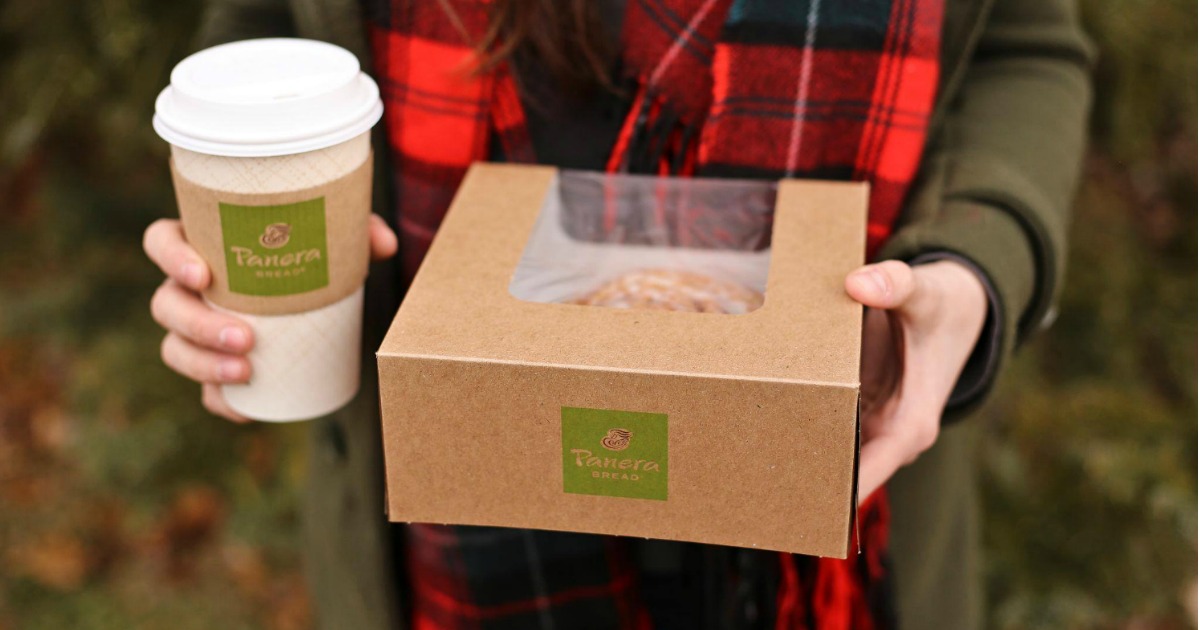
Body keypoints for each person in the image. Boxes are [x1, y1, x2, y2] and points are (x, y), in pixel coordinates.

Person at [142, 0, 1092, 628]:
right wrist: (241, 289)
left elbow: (1021, 42)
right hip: (456, 525)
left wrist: (975, 262)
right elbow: (260, 51)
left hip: (839, 518)